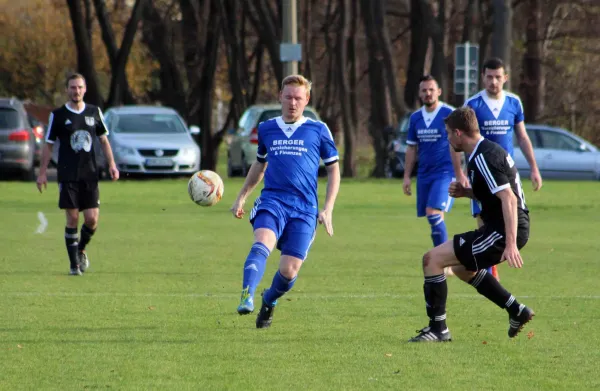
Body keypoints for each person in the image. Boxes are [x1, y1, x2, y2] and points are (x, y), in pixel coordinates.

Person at [408, 107, 534, 342]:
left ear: (458, 133)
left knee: (432, 259)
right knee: (461, 268)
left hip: (503, 231)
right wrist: (467, 192)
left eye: (447, 133)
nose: (447, 138)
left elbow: (509, 198)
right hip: (500, 228)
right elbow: (494, 194)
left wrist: (510, 243)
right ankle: (516, 310)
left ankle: (438, 329)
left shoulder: (484, 156)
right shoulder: (482, 153)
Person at [230, 74, 341, 329]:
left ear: (307, 100)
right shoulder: (268, 128)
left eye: (298, 98)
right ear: (280, 96)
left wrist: (328, 209)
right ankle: (246, 295)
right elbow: (259, 164)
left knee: (289, 271)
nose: (293, 103)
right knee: (262, 242)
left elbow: (334, 170)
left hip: (304, 209)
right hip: (273, 201)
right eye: (288, 97)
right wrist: (241, 197)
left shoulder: (318, 129)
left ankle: (268, 300)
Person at [462, 57, 542, 280]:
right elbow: (461, 139)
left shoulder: (514, 103)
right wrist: (461, 172)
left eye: (498, 77)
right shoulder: (473, 104)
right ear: (483, 78)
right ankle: (489, 267)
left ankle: (497, 256)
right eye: (489, 77)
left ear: (505, 78)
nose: (493, 82)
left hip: (506, 171)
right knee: (482, 216)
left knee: (510, 208)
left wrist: (534, 168)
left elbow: (523, 137)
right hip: (480, 169)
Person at [36, 73, 119, 276]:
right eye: (72, 87)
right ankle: (74, 265)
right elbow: (48, 145)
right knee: (72, 217)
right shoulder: (58, 115)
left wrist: (112, 164)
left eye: (80, 87)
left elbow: (104, 141)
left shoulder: (94, 112)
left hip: (90, 174)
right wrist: (42, 173)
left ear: (85, 89)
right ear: (67, 90)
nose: (76, 91)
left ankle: (80, 249)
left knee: (91, 220)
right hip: (67, 174)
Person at [403, 76, 468, 268]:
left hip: (445, 173)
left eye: (431, 89)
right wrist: (407, 176)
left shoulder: (449, 114)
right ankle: (445, 257)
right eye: (424, 90)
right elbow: (411, 148)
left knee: (433, 213)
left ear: (439, 91)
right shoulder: (415, 118)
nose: (427, 93)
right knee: (434, 216)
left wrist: (460, 174)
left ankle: (444, 262)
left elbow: (457, 145)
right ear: (419, 93)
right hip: (424, 174)